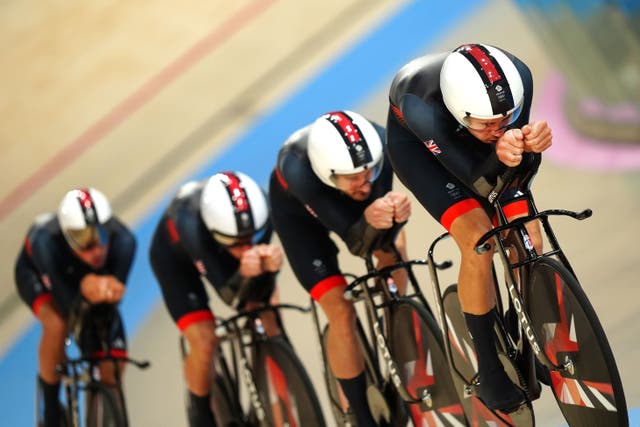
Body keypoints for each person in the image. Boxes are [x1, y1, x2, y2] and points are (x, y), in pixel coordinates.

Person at [385, 43, 553, 412]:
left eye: (506, 118)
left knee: (528, 234)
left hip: (474, 146)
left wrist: (529, 145)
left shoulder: (517, 77)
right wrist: (502, 149)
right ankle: (489, 367)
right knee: (479, 241)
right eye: (488, 124)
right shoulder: (421, 105)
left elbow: (517, 167)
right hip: (423, 151)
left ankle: (522, 322)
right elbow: (477, 182)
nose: (498, 128)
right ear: (462, 114)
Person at [269, 110, 411, 425]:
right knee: (341, 312)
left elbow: (381, 231)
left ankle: (396, 323)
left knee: (394, 255)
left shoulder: (379, 145)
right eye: (354, 178)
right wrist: (372, 219)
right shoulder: (297, 167)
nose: (364, 184)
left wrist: (392, 215)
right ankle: (361, 414)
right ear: (328, 172)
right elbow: (356, 241)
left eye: (369, 173)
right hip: (301, 220)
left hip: (347, 203)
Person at [149, 171, 284, 427]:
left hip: (222, 244)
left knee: (269, 314)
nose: (246, 246)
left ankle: (283, 404)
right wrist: (245, 273)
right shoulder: (191, 224)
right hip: (178, 259)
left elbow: (259, 289)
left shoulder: (263, 212)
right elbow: (231, 298)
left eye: (252, 238)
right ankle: (201, 413)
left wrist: (269, 268)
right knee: (205, 340)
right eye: (237, 242)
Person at [14, 188, 136, 427]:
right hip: (40, 276)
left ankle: (101, 410)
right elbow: (70, 308)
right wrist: (86, 289)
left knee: (113, 361)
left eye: (101, 237)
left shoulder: (125, 242)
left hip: (84, 284)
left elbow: (109, 306)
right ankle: (50, 409)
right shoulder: (45, 244)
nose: (97, 249)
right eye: (84, 242)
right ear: (67, 237)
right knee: (57, 324)